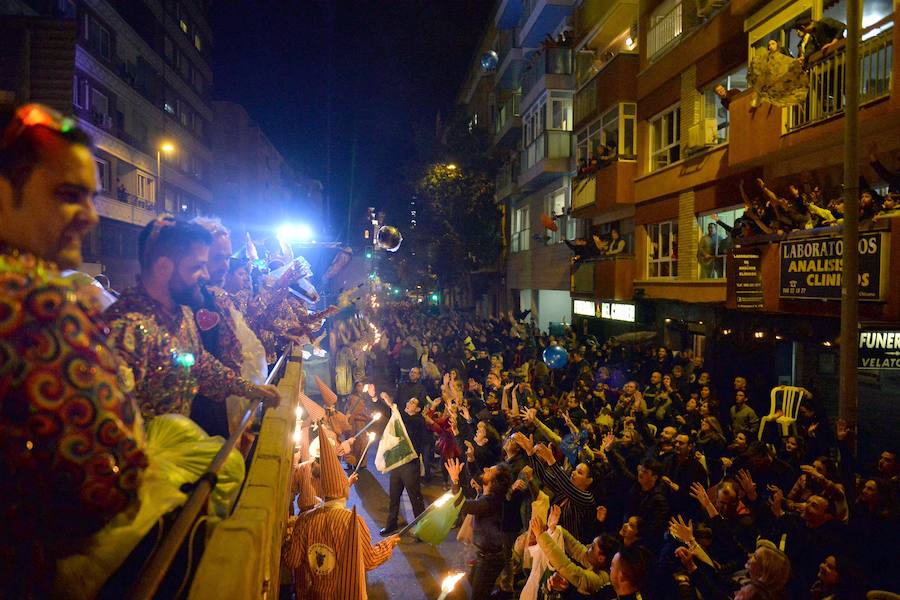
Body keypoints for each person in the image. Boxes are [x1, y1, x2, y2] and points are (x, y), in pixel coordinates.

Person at [0, 102, 148, 594]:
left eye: (93, 197)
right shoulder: (34, 299)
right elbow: (107, 482)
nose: (90, 216)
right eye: (68, 195)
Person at [104, 216, 280, 420]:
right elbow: (112, 422)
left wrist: (249, 388)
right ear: (163, 268)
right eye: (197, 267)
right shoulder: (123, 329)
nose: (206, 275)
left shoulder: (181, 313)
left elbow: (202, 364)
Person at [284, 424, 400, 599]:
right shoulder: (352, 521)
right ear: (344, 489)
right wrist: (387, 545)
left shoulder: (305, 520)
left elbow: (292, 560)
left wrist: (286, 538)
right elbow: (368, 560)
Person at [188, 216, 269, 437]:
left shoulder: (215, 297)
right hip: (195, 421)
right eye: (217, 258)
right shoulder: (188, 301)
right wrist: (246, 387)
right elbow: (197, 362)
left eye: (227, 258)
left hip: (222, 408)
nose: (225, 265)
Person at [445, 458, 513, 597]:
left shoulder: (490, 502)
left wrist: (455, 480)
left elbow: (463, 505)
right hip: (484, 555)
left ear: (494, 482)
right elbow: (477, 477)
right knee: (473, 581)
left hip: (491, 559)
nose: (486, 469)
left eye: (490, 471)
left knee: (478, 594)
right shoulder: (490, 496)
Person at [379, 392, 428, 535]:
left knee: (415, 498)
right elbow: (387, 415)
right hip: (397, 464)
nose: (409, 403)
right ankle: (391, 523)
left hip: (410, 466)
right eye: (409, 401)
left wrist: (392, 405)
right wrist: (378, 400)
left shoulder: (418, 421)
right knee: (394, 496)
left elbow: (406, 420)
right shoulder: (399, 418)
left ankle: (421, 528)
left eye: (413, 403)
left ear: (418, 409)